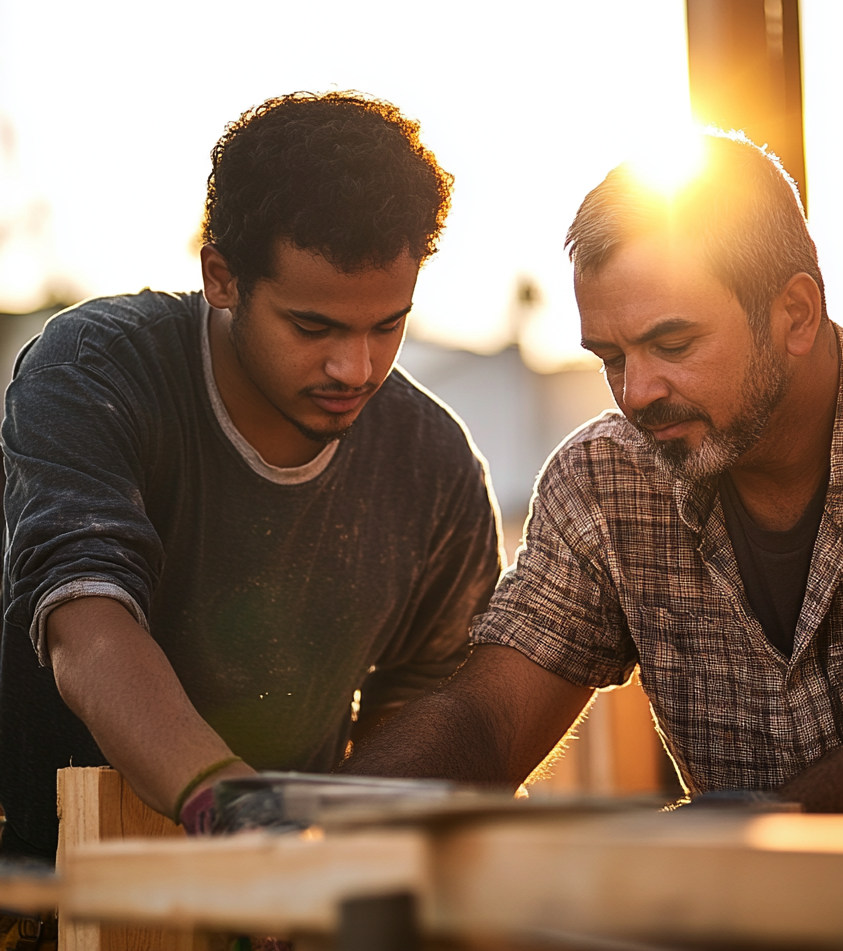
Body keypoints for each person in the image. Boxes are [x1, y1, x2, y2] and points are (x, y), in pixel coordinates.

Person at [343, 131, 843, 815]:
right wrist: (326, 831)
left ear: (795, 313)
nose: (637, 393)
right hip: (734, 915)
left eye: (672, 344)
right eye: (611, 357)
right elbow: (487, 718)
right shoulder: (605, 480)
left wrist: (679, 864)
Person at [0, 91, 502, 861]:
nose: (355, 367)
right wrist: (236, 810)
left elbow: (423, 722)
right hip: (50, 886)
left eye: (387, 324)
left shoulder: (434, 465)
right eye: (313, 326)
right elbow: (87, 628)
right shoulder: (95, 371)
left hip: (289, 908)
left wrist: (336, 863)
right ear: (221, 277)